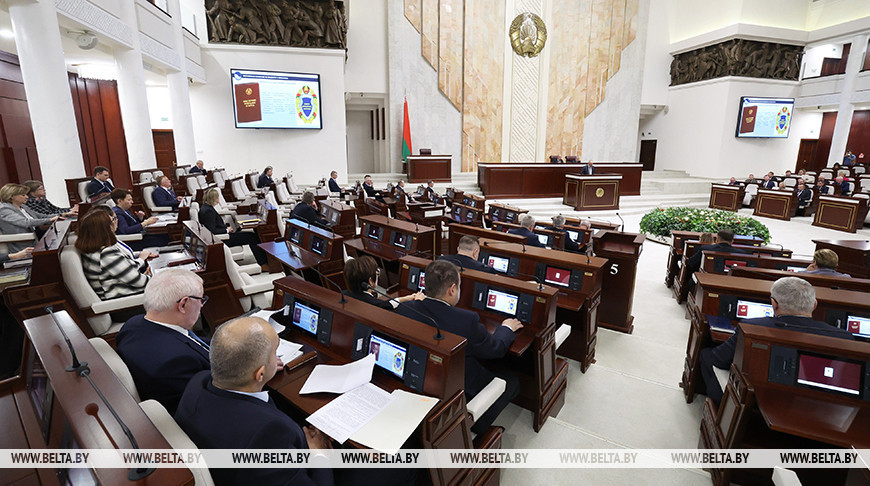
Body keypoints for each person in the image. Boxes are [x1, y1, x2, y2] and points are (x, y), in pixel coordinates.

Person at [175, 317, 332, 486]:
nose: (277, 356)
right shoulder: (268, 434)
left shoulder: (198, 383)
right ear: (260, 374)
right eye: (275, 353)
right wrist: (319, 454)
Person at [396, 260, 522, 434]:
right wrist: (506, 328)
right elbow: (496, 349)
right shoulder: (467, 320)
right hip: (458, 392)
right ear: (452, 289)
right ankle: (478, 421)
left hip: (422, 378)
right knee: (512, 381)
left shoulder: (405, 308)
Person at [698, 277, 854, 405]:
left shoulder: (751, 326)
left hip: (756, 402)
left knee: (706, 354)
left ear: (774, 303)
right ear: (814, 305)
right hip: (821, 407)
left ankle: (718, 409)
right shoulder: (845, 338)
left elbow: (718, 359)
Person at [116, 269, 211, 414]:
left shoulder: (133, 325)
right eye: (200, 299)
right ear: (183, 304)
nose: (202, 305)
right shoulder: (176, 361)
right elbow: (212, 399)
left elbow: (192, 341)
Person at [74, 207, 152, 306]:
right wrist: (151, 276)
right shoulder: (106, 253)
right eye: (113, 220)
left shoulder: (93, 246)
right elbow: (140, 282)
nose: (116, 221)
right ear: (104, 228)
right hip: (124, 304)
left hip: (123, 295)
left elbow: (123, 268)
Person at [198, 188, 268, 266]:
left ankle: (265, 261)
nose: (218, 199)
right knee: (252, 237)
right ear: (213, 198)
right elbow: (212, 231)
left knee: (250, 235)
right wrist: (226, 230)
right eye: (217, 197)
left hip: (224, 235)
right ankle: (263, 263)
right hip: (223, 239)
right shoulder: (208, 211)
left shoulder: (206, 207)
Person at [342, 256, 423, 310]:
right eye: (377, 274)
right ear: (370, 281)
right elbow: (388, 305)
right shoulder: (374, 305)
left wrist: (407, 298)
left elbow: (389, 303)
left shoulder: (343, 294)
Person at [0, 183, 60, 252]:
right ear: (12, 197)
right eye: (23, 195)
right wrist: (49, 220)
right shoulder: (4, 209)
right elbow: (26, 222)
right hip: (23, 243)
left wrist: (62, 215)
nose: (27, 197)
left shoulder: (22, 206)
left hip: (37, 236)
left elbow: (41, 216)